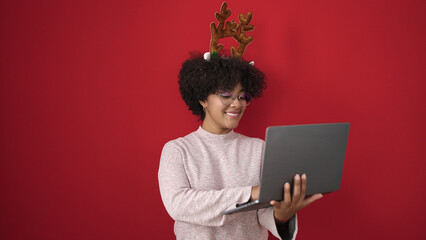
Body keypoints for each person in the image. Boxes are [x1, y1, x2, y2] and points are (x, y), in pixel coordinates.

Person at [158, 54, 323, 240]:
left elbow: (263, 213)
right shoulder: (177, 150)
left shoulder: (259, 149)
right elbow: (179, 205)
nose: (237, 104)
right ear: (203, 99)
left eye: (243, 96)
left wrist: (282, 214)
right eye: (226, 94)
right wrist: (251, 193)